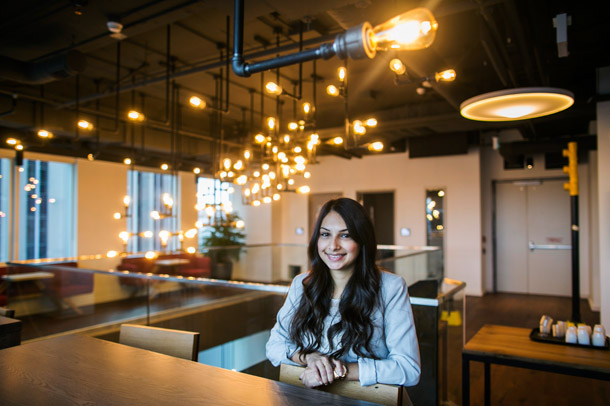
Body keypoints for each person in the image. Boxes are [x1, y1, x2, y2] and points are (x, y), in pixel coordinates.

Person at [266, 197, 420, 388]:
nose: (333, 245)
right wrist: (310, 358)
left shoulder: (391, 287)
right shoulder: (302, 284)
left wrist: (341, 370)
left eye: (345, 235)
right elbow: (274, 345)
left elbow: (408, 369)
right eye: (325, 234)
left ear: (363, 240)